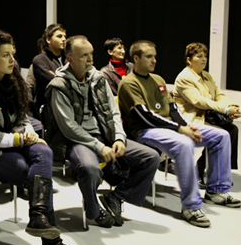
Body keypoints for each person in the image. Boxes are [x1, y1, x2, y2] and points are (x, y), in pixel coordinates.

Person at [0, 30, 81, 245]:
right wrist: (20, 140)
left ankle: (38, 217)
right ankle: (52, 242)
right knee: (33, 174)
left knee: (44, 151)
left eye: (12, 54)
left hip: (13, 142)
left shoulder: (13, 82)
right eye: (5, 55)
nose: (12, 60)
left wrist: (30, 134)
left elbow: (22, 118)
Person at [117, 40, 241, 228]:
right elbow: (145, 116)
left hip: (170, 127)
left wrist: (186, 126)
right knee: (184, 144)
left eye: (155, 57)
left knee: (221, 136)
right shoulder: (128, 83)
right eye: (149, 57)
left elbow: (173, 108)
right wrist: (179, 129)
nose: (154, 61)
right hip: (146, 131)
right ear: (136, 58)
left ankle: (217, 191)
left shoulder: (158, 79)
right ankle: (191, 206)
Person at [44, 36, 160, 228]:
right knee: (90, 168)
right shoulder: (59, 85)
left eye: (91, 54)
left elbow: (114, 111)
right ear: (70, 59)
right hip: (77, 141)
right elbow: (68, 127)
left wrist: (119, 138)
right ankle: (94, 210)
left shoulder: (98, 78)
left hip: (105, 135)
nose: (90, 59)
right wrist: (99, 147)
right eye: (84, 55)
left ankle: (116, 197)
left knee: (151, 157)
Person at [172, 43, 241, 184]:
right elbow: (198, 101)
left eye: (205, 56)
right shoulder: (184, 77)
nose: (204, 59)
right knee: (220, 134)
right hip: (189, 118)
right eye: (199, 56)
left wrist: (231, 106)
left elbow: (219, 95)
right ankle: (202, 170)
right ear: (189, 60)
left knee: (233, 130)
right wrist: (225, 110)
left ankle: (221, 170)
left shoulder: (207, 76)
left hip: (206, 116)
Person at [30, 23, 67, 115]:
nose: (64, 39)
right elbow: (55, 82)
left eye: (64, 36)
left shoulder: (69, 58)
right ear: (48, 39)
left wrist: (57, 75)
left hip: (68, 105)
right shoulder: (40, 59)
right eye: (59, 36)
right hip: (49, 109)